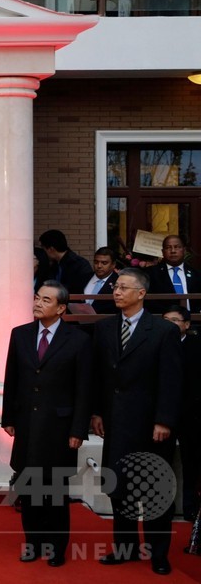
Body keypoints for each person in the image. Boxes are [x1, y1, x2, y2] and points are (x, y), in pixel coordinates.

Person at [91, 268, 182, 575]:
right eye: (115, 287)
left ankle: (159, 553)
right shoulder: (103, 329)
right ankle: (125, 548)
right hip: (116, 422)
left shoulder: (162, 331)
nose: (116, 292)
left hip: (151, 426)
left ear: (141, 294)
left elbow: (171, 381)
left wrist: (164, 420)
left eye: (124, 288)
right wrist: (97, 412)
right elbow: (99, 378)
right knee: (120, 490)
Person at [1, 281, 92, 567]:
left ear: (61, 308)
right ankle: (33, 543)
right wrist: (9, 418)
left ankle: (56, 546)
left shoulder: (78, 340)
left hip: (60, 428)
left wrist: (78, 429)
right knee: (29, 489)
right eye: (37, 297)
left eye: (46, 299)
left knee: (54, 490)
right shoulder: (20, 335)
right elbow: (12, 378)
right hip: (27, 424)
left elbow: (83, 389)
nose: (38, 303)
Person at [164, 305, 201, 523]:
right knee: (162, 463)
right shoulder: (156, 342)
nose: (169, 324)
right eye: (165, 320)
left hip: (192, 416)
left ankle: (190, 509)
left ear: (186, 325)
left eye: (174, 321)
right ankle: (163, 510)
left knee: (192, 464)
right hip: (164, 416)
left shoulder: (197, 345)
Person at [147, 235, 201, 313]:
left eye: (177, 247)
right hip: (163, 321)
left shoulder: (196, 274)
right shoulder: (151, 274)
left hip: (194, 320)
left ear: (184, 250)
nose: (173, 251)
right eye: (168, 247)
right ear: (162, 252)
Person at [39, 229, 93, 297]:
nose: (43, 253)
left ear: (51, 249)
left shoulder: (80, 264)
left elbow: (80, 289)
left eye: (43, 249)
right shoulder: (53, 265)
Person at [82, 247, 119, 315]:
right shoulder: (83, 278)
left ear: (113, 264)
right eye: (96, 262)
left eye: (104, 263)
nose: (99, 266)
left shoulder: (118, 282)